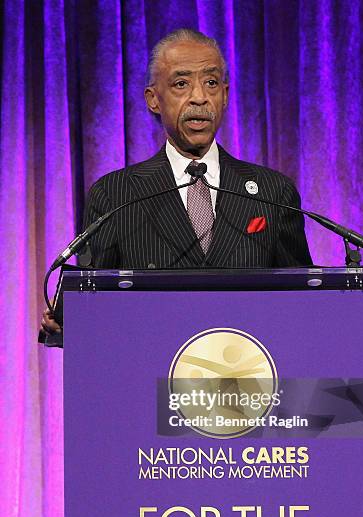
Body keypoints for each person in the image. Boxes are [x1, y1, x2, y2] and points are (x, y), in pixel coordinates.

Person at [41, 28, 312, 335]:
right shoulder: (116, 195)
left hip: (247, 372)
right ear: (153, 100)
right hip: (151, 373)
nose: (199, 98)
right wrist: (71, 324)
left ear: (225, 95)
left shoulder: (272, 191)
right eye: (181, 84)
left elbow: (301, 299)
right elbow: (93, 304)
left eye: (211, 83)